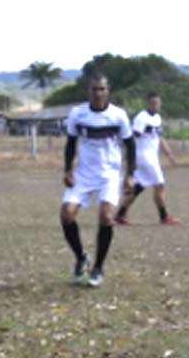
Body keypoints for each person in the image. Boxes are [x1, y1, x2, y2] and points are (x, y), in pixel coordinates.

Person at [61, 72, 135, 287]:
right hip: (84, 173)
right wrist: (67, 169)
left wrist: (130, 175)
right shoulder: (77, 114)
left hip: (109, 174)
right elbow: (70, 143)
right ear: (89, 91)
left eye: (102, 89)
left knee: (106, 216)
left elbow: (130, 146)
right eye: (94, 89)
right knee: (67, 215)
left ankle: (98, 267)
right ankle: (81, 256)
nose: (98, 93)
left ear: (108, 90)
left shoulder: (118, 116)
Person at [114, 92, 179, 225]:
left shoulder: (157, 118)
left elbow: (159, 138)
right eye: (154, 103)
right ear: (148, 103)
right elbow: (132, 139)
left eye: (158, 103)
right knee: (159, 184)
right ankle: (164, 216)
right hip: (143, 157)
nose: (156, 106)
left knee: (139, 187)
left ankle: (120, 214)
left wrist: (169, 154)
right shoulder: (141, 118)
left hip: (151, 157)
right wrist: (129, 158)